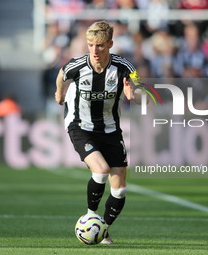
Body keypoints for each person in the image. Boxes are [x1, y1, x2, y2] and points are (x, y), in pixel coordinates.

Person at [55, 20, 143, 244]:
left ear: (110, 44)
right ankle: (90, 216)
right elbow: (62, 74)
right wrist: (59, 94)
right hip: (80, 126)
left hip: (111, 129)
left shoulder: (125, 67)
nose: (94, 50)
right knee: (101, 170)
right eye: (90, 45)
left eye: (100, 45)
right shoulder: (78, 66)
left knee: (120, 189)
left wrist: (134, 94)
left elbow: (142, 89)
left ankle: (102, 230)